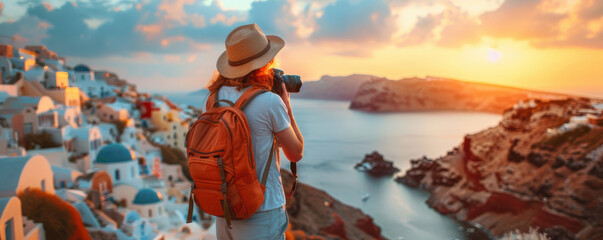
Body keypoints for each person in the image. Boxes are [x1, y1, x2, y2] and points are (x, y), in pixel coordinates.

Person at [201, 23, 304, 240]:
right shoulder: (269, 102)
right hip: (262, 211)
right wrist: (287, 108)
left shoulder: (212, 99)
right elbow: (295, 153)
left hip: (225, 208)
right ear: (266, 63)